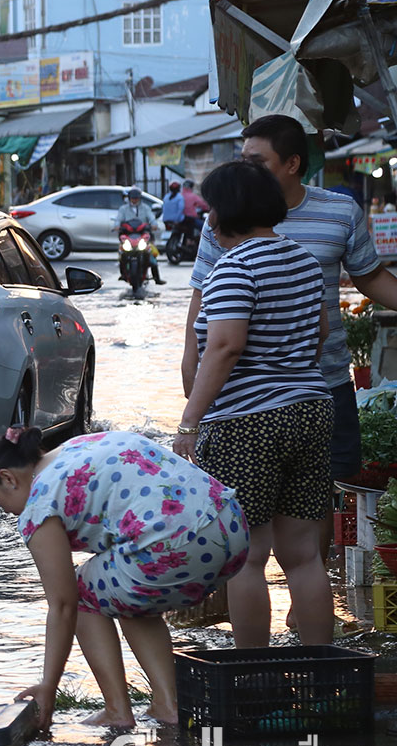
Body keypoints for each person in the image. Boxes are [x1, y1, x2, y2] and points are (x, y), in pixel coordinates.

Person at [0, 428, 249, 729]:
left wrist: (49, 685)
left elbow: (63, 605)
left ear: (8, 478)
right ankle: (169, 705)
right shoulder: (77, 446)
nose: (5, 511)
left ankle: (117, 710)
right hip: (231, 528)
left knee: (83, 593)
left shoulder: (38, 504)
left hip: (180, 546)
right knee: (124, 591)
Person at [183, 114, 397, 490]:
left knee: (318, 497)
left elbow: (371, 277)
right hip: (249, 393)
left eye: (257, 162)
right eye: (243, 160)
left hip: (327, 381)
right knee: (279, 510)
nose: (246, 169)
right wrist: (191, 362)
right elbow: (203, 293)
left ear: (292, 163)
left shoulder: (340, 212)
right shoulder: (224, 218)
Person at [175, 160, 334, 648]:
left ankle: (253, 677)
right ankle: (322, 677)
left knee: (246, 556)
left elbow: (223, 347)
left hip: (247, 422)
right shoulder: (303, 261)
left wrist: (189, 422)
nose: (208, 218)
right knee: (304, 554)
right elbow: (322, 333)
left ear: (227, 212)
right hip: (311, 409)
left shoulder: (235, 267)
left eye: (211, 208)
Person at [117, 187, 163, 284]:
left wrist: (154, 225)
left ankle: (157, 278)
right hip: (128, 235)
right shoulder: (123, 209)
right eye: (133, 198)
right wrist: (116, 226)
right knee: (121, 254)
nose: (135, 200)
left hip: (143, 235)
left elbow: (151, 218)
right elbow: (118, 220)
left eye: (136, 198)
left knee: (152, 256)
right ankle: (123, 274)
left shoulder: (145, 208)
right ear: (129, 198)